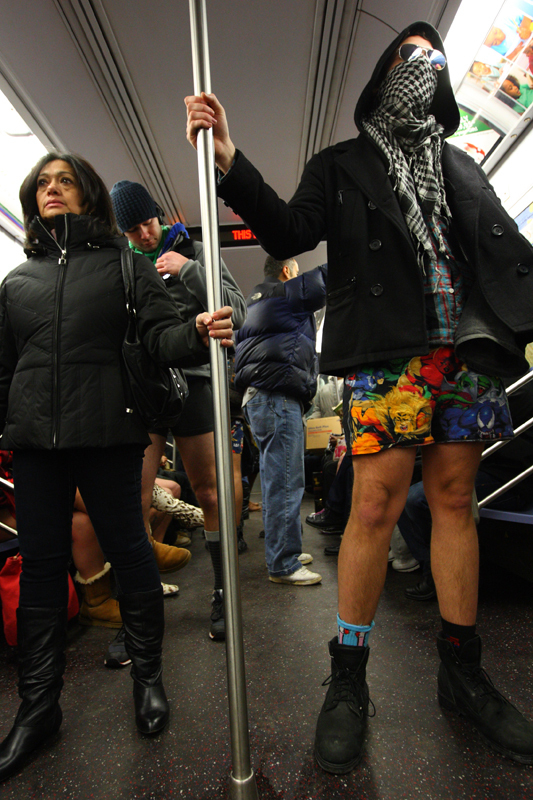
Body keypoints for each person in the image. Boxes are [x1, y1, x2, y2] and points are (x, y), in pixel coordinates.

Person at [185, 20, 533, 773]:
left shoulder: (457, 163)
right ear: (380, 74)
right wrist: (229, 162)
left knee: (452, 502)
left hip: (464, 352)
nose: (425, 68)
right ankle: (347, 679)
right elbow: (289, 227)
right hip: (388, 356)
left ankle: (461, 672)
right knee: (374, 506)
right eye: (411, 56)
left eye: (434, 62)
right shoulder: (341, 164)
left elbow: (502, 255)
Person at [0, 152, 233, 783]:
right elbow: (4, 370)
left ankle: (149, 678)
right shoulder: (16, 283)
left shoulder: (125, 267)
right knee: (44, 571)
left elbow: (161, 337)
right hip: (35, 444)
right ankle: (38, 706)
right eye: (43, 184)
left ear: (88, 197)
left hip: (107, 430)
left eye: (65, 181)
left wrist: (197, 332)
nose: (52, 190)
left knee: (130, 555)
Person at [110, 181, 246, 640]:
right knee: (135, 500)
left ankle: (223, 591)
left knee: (210, 492)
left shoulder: (197, 250)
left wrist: (189, 269)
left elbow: (239, 312)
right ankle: (137, 607)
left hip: (197, 383)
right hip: (145, 392)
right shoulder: (123, 266)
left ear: (159, 214)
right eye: (132, 230)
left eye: (148, 223)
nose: (144, 236)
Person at [234, 255, 326, 585]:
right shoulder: (287, 293)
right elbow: (330, 276)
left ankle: (284, 548)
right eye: (297, 271)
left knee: (279, 479)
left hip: (259, 397)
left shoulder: (251, 304)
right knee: (285, 481)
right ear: (287, 272)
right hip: (276, 396)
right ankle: (283, 563)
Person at [401, 373, 533, 601]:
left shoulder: (521, 387)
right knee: (403, 490)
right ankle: (432, 566)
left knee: (416, 499)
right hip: (488, 464)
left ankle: (434, 574)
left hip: (509, 475)